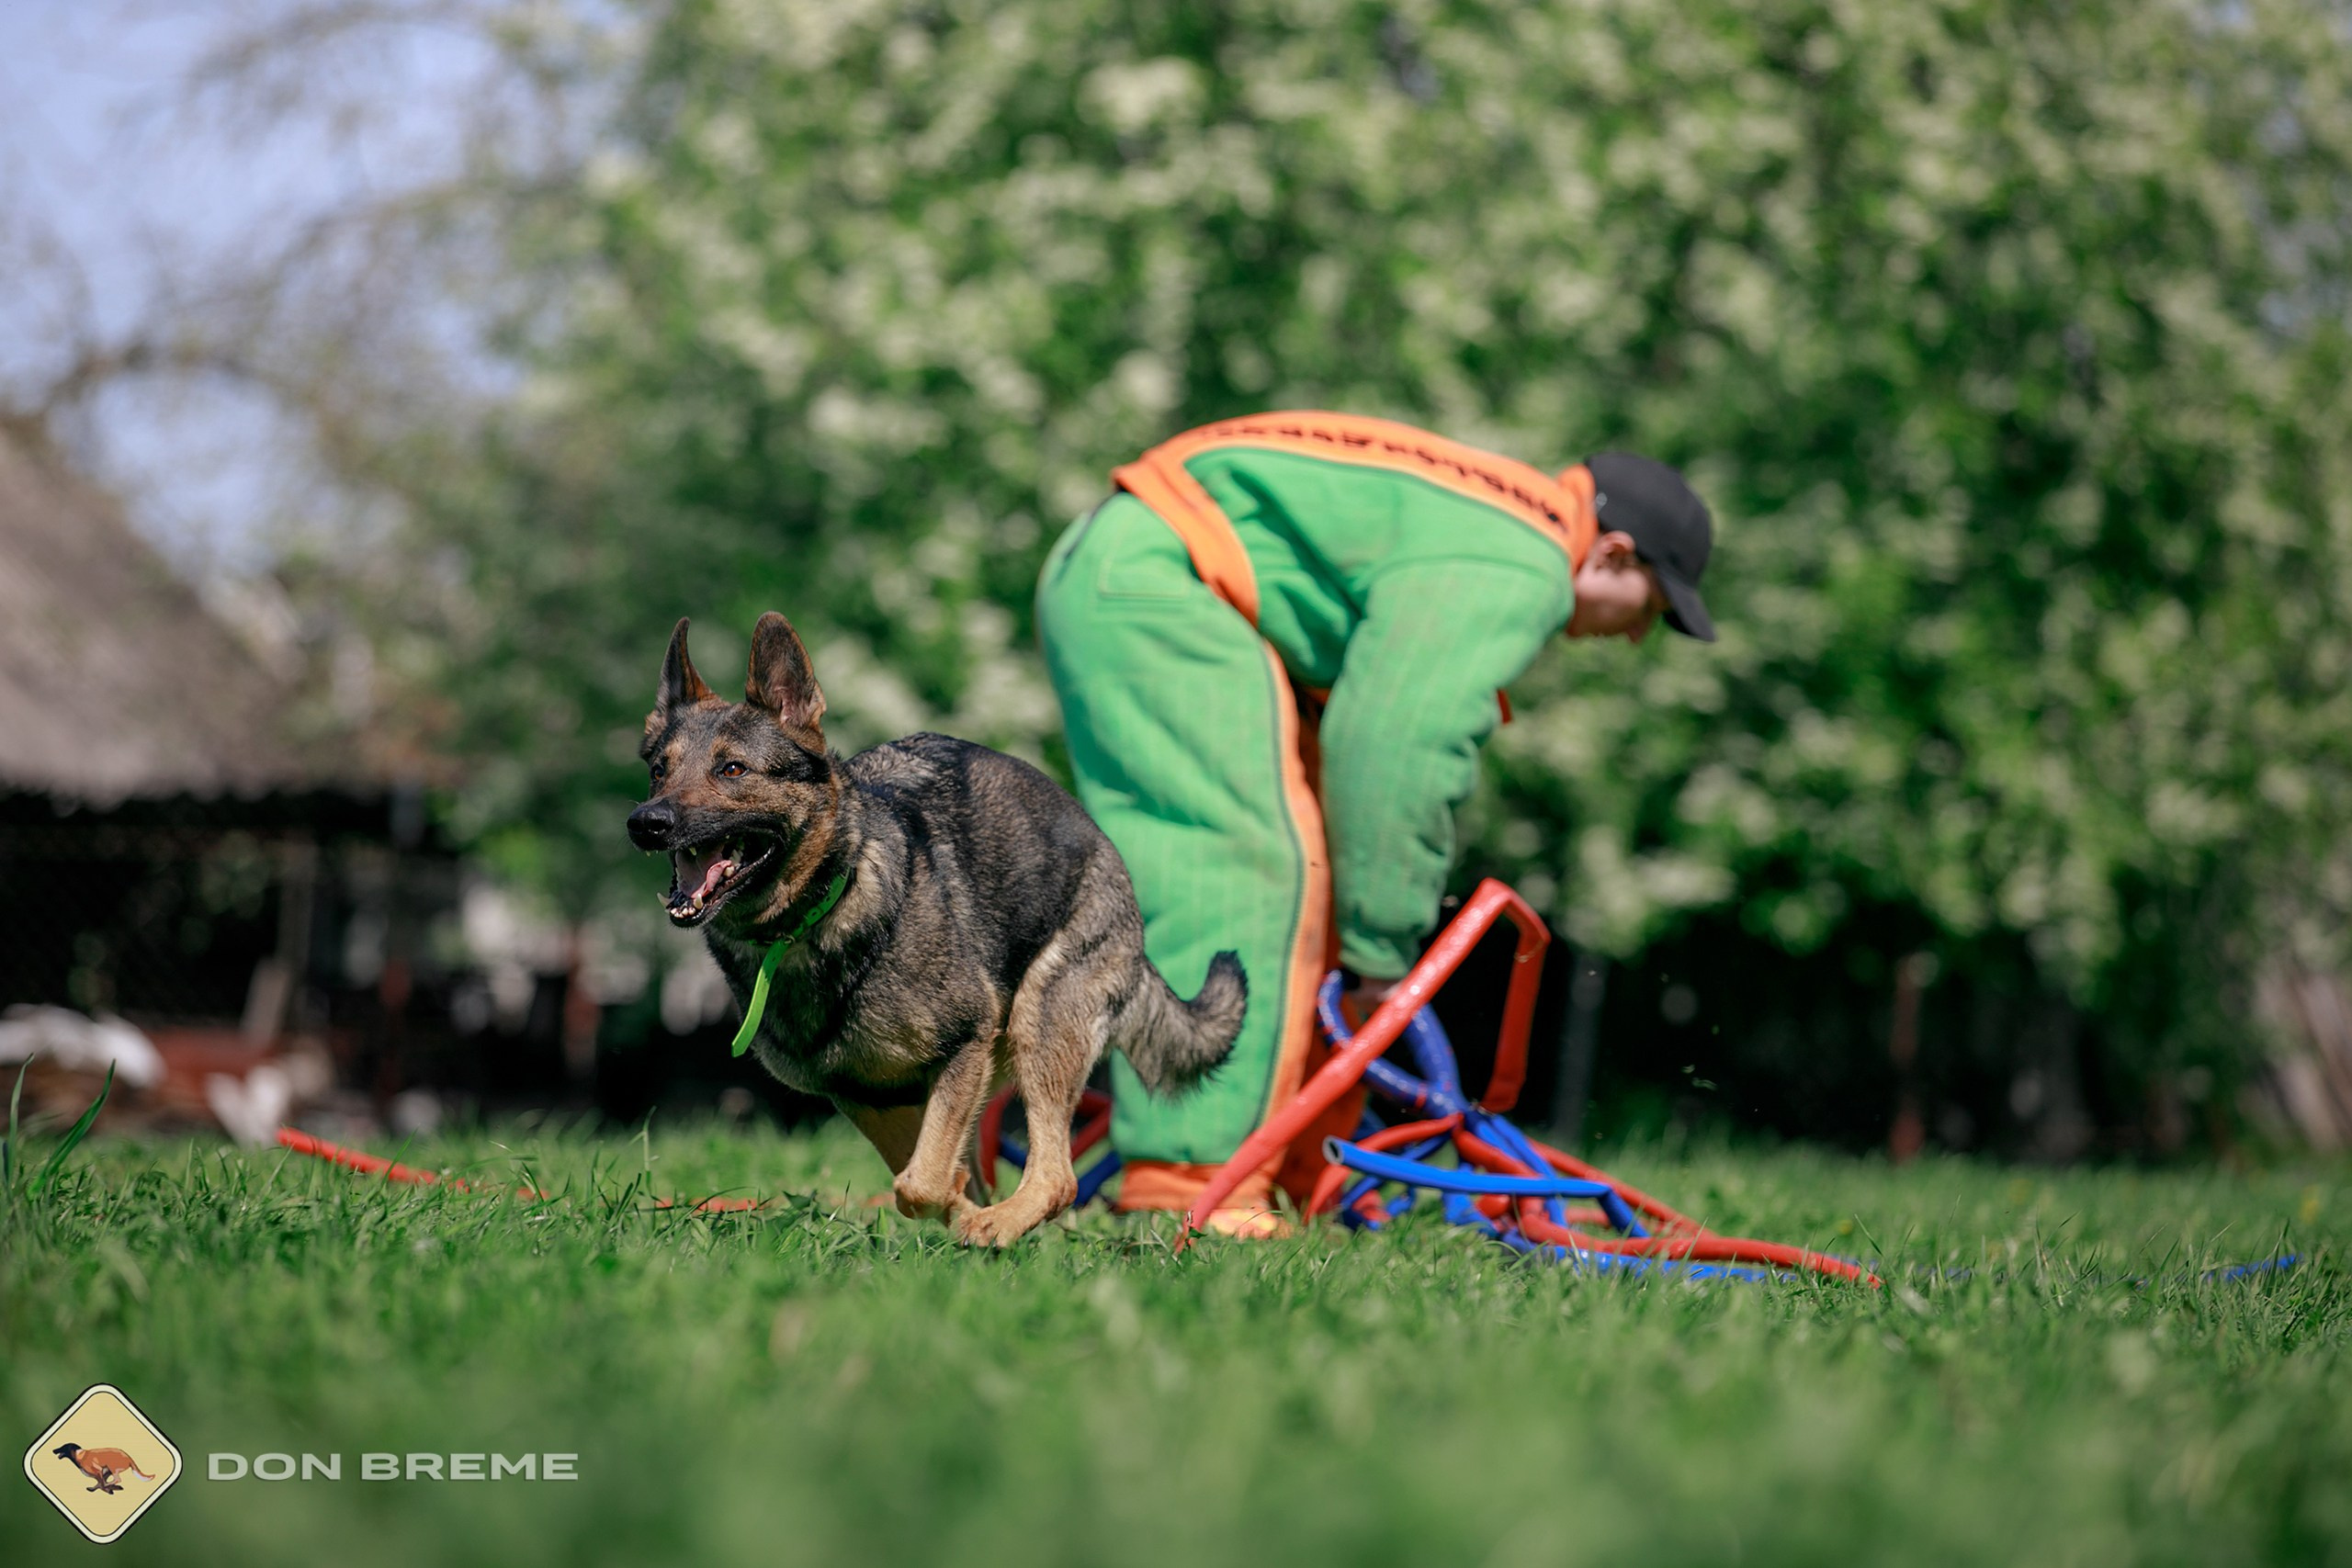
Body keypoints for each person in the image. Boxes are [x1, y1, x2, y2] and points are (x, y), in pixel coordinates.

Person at [1035, 412, 1714, 1230]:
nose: (1638, 636)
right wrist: (1381, 956)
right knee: (1246, 867)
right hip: (1160, 576)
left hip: (1138, 564)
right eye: (1652, 605)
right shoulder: (1523, 561)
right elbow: (1396, 744)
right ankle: (1191, 1183)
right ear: (1612, 553)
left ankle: (1293, 1173)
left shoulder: (1502, 520)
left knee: (1307, 872)